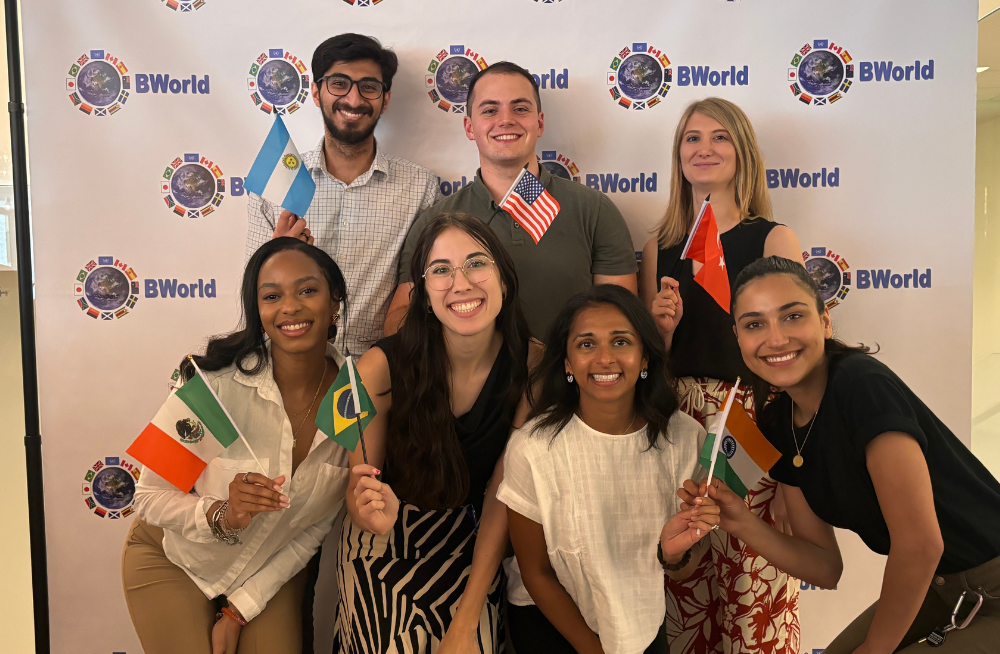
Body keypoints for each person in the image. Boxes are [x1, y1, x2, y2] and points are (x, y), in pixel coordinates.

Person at [681, 255, 1000, 652]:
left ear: (825, 321)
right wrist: (741, 522)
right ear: (739, 338)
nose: (775, 338)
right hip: (940, 587)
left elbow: (920, 545)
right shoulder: (779, 424)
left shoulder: (861, 384)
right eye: (754, 324)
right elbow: (823, 566)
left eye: (792, 316)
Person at [123, 238, 352, 654]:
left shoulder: (353, 401)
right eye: (271, 296)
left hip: (263, 573)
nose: (290, 307)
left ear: (334, 300)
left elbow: (313, 529)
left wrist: (238, 612)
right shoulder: (215, 387)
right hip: (175, 559)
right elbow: (147, 496)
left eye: (307, 290)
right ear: (258, 311)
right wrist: (222, 514)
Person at [638, 97, 804, 654]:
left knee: (752, 577)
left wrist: (789, 474)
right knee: (684, 577)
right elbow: (649, 367)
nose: (704, 148)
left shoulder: (771, 239)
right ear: (678, 155)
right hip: (680, 417)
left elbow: (797, 359)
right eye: (691, 138)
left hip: (752, 416)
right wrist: (660, 330)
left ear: (742, 152)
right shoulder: (657, 248)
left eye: (719, 137)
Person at [335, 213, 535, 653]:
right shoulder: (373, 369)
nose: (460, 283)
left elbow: (504, 493)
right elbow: (358, 483)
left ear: (504, 278)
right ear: (423, 293)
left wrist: (466, 620)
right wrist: (364, 505)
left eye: (477, 263)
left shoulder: (533, 368)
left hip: (477, 543)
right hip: (387, 541)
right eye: (441, 270)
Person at [499, 284, 720, 654]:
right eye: (587, 344)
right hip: (551, 623)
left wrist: (672, 555)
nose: (605, 358)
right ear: (567, 363)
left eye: (621, 342)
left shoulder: (686, 438)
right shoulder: (532, 448)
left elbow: (683, 567)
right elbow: (535, 573)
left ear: (645, 357)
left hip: (640, 623)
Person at [386, 61, 637, 342]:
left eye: (520, 109)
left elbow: (622, 319)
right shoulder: (435, 221)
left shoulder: (595, 211)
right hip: (467, 384)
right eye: (490, 110)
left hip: (566, 381)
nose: (506, 120)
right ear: (470, 127)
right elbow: (399, 322)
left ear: (539, 123)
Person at [246, 33, 439, 356]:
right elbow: (252, 298)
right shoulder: (278, 182)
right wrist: (274, 257)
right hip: (291, 370)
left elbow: (422, 293)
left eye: (369, 86)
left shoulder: (420, 188)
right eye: (339, 83)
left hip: (379, 377)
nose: (353, 99)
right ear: (316, 92)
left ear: (385, 99)